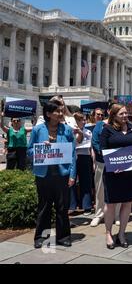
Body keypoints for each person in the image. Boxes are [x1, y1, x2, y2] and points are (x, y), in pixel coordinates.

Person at [28, 100, 76, 248]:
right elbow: (29, 151)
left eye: (62, 111)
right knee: (44, 206)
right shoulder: (38, 130)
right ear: (48, 114)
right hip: (44, 174)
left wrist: (72, 175)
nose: (61, 114)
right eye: (57, 111)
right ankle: (42, 237)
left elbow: (73, 153)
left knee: (62, 207)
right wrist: (40, 147)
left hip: (62, 173)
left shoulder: (66, 130)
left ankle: (63, 237)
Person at [100, 104, 132, 249]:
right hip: (113, 172)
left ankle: (122, 233)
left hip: (130, 172)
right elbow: (102, 150)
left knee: (127, 203)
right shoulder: (107, 130)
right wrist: (113, 164)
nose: (125, 116)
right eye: (121, 114)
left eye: (126, 113)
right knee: (110, 203)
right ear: (113, 115)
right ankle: (108, 233)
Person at [90, 102, 120, 227]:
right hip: (102, 161)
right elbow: (95, 142)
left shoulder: (121, 126)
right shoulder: (100, 125)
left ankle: (116, 215)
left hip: (117, 162)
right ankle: (99, 214)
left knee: (117, 189)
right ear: (109, 111)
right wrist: (104, 154)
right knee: (100, 189)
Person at [69, 112, 94, 216]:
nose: (83, 121)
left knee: (86, 181)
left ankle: (87, 206)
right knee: (71, 181)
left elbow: (90, 146)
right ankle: (72, 206)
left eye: (84, 119)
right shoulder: (70, 132)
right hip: (73, 157)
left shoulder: (88, 131)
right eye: (80, 120)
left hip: (85, 157)